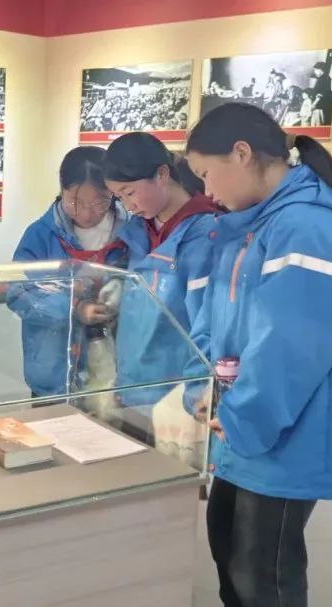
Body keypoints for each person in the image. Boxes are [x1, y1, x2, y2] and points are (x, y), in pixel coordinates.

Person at [184, 102, 332, 607]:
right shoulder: (249, 225)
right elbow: (218, 318)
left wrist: (243, 414)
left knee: (263, 572)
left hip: (284, 431)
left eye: (206, 174)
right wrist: (209, 388)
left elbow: (291, 349)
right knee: (228, 545)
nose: (207, 191)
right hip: (243, 424)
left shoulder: (306, 228)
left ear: (242, 153)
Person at [101, 133, 219, 409]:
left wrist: (197, 392)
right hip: (133, 387)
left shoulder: (207, 236)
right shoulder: (136, 232)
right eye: (119, 197)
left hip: (178, 395)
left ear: (162, 174)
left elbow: (210, 327)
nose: (128, 206)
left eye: (130, 192)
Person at [8, 146, 128, 400]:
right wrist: (73, 307)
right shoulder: (41, 235)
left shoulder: (131, 233)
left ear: (113, 192)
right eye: (75, 202)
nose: (86, 213)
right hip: (55, 372)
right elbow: (18, 293)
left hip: (117, 376)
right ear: (61, 189)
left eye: (99, 202)